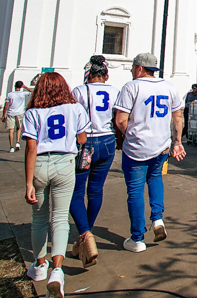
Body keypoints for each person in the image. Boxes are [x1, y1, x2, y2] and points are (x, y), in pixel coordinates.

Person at [22, 72, 90, 298]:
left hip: (40, 164)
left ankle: (40, 265)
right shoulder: (75, 109)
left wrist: (28, 182)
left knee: (39, 218)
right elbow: (82, 139)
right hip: (65, 162)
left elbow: (30, 149)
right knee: (60, 217)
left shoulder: (32, 113)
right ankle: (57, 270)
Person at [113, 53, 186, 253]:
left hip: (137, 148)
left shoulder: (132, 87)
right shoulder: (170, 87)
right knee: (155, 179)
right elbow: (178, 116)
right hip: (161, 145)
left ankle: (137, 238)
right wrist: (177, 141)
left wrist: (131, 134)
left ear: (139, 68)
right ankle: (157, 218)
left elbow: (120, 120)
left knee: (135, 191)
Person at [69, 55, 120, 268]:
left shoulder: (79, 91)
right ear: (106, 75)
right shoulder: (114, 91)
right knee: (96, 190)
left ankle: (85, 233)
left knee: (76, 191)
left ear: (88, 75)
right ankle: (87, 231)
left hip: (86, 142)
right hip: (108, 141)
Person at [2, 81, 32, 152]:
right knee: (19, 128)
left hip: (10, 113)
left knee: (11, 130)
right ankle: (17, 142)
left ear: (15, 86)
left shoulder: (9, 94)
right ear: (21, 86)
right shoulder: (23, 93)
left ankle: (11, 147)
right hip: (20, 113)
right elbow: (33, 92)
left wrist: (4, 115)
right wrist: (25, 87)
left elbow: (6, 105)